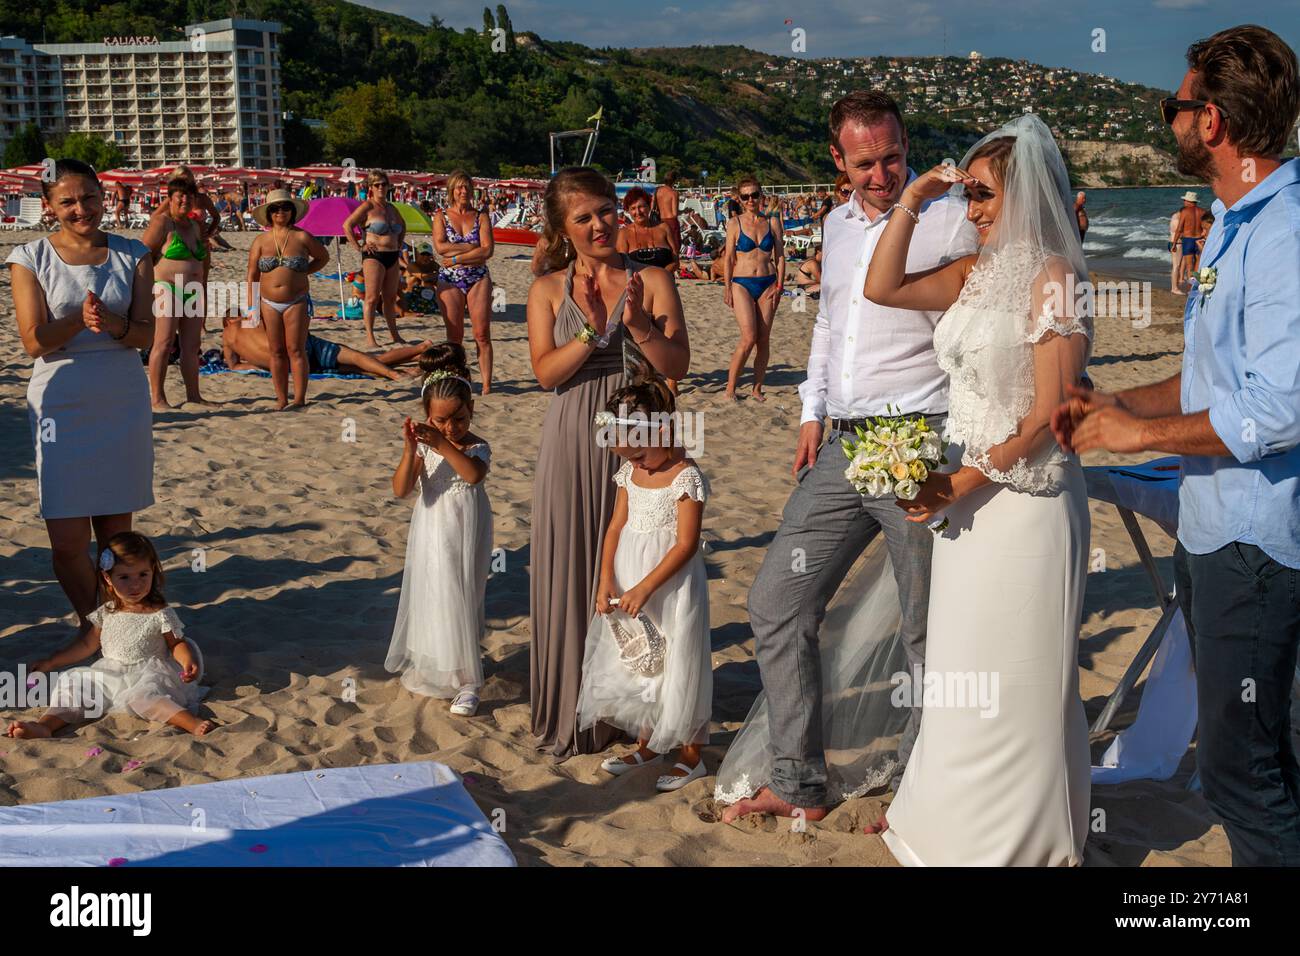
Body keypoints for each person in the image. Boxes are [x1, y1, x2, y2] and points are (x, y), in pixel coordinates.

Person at [1054, 25, 1300, 866]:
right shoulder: (1232, 223)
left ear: (1216, 122)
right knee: (1264, 764)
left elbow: (1278, 407)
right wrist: (1115, 401)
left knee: (1244, 778)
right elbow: (1208, 384)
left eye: (1176, 107)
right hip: (1211, 531)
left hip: (1256, 543)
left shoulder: (1284, 230)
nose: (1170, 121)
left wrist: (1139, 433)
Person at [715, 90, 978, 819]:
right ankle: (799, 780)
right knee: (776, 601)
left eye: (893, 156)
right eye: (864, 162)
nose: (881, 173)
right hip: (843, 443)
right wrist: (811, 409)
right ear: (838, 160)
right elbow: (831, 321)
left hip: (923, 440)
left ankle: (926, 787)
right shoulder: (832, 222)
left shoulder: (951, 219)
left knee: (927, 624)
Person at [525, 166, 690, 758]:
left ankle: (635, 711)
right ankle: (577, 706)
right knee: (575, 564)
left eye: (605, 210)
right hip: (573, 438)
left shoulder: (650, 278)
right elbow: (545, 373)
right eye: (583, 217)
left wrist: (636, 321)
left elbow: (676, 365)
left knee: (633, 562)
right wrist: (593, 332)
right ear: (562, 227)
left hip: (642, 435)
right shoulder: (546, 288)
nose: (599, 224)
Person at [7, 159, 158, 636]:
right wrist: (78, 320)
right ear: (49, 206)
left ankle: (119, 625)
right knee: (68, 540)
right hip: (61, 402)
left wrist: (114, 325)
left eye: (89, 197)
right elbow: (32, 341)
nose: (81, 209)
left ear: (104, 196)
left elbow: (146, 336)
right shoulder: (29, 257)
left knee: (116, 536)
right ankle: (94, 622)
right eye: (68, 201)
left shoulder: (133, 253)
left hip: (121, 397)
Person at [578, 369, 711, 791]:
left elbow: (686, 544)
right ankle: (648, 742)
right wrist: (605, 581)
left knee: (678, 661)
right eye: (625, 457)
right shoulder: (628, 474)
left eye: (638, 455)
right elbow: (615, 528)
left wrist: (646, 587)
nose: (632, 463)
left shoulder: (686, 477)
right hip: (629, 579)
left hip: (669, 587)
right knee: (641, 664)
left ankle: (691, 754)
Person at [5, 532, 212, 739]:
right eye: (124, 577)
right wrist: (52, 662)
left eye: (143, 574)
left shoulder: (159, 613)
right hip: (111, 673)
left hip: (149, 673)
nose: (135, 584)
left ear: (153, 572)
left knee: (144, 698)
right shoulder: (107, 612)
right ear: (108, 578)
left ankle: (191, 723)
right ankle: (45, 726)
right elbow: (87, 645)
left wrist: (187, 660)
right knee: (76, 689)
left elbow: (177, 643)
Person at [387, 343, 493, 718]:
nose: (450, 427)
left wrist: (445, 444)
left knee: (462, 594)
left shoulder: (475, 446)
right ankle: (444, 664)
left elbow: (473, 475)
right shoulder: (425, 446)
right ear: (426, 416)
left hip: (464, 530)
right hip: (431, 530)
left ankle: (468, 681)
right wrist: (409, 448)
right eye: (440, 421)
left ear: (471, 411)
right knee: (435, 594)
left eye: (459, 419)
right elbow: (400, 490)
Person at [246, 189, 330, 409]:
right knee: (276, 350)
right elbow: (252, 274)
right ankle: (281, 398)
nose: (280, 212)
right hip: (267, 302)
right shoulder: (261, 241)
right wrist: (251, 306)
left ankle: (299, 398)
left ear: (292, 211)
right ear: (269, 214)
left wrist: (304, 272)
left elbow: (323, 257)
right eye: (275, 209)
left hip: (297, 300)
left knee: (296, 349)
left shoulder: (302, 236)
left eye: (285, 207)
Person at [142, 178, 212, 411]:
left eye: (189, 196)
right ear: (170, 198)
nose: (185, 200)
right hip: (167, 287)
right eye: (180, 195)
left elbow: (202, 259)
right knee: (163, 343)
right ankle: (157, 398)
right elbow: (144, 256)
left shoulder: (194, 226)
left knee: (191, 347)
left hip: (193, 290)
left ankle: (194, 396)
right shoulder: (163, 223)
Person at [221, 315, 428, 381]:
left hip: (291, 367)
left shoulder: (229, 339)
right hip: (300, 349)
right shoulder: (250, 320)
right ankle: (414, 356)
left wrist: (258, 364)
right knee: (359, 358)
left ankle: (412, 366)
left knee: (360, 367)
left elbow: (234, 366)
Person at [433, 171, 495, 393]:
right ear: (452, 190)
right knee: (455, 335)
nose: (463, 191)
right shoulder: (441, 216)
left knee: (482, 334)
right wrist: (472, 248)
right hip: (450, 279)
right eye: (459, 187)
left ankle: (487, 385)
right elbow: (440, 247)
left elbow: (488, 251)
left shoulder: (481, 217)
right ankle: (458, 378)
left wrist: (458, 256)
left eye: (467, 187)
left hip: (477, 276)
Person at [722, 176, 783, 401]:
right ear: (739, 199)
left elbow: (781, 256)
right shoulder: (734, 223)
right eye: (746, 196)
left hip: (768, 283)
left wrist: (780, 285)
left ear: (761, 196)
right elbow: (728, 258)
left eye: (754, 195)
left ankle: (756, 389)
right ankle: (730, 388)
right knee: (749, 337)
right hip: (742, 283)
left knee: (763, 339)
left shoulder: (772, 222)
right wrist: (727, 288)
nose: (751, 200)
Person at [344, 171, 407, 349]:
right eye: (377, 184)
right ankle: (370, 337)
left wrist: (399, 243)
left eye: (384, 184)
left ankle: (394, 334)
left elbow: (403, 226)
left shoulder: (392, 208)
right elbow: (347, 225)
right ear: (370, 187)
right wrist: (359, 246)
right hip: (374, 256)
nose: (381, 187)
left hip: (393, 256)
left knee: (389, 298)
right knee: (371, 298)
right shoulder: (367, 207)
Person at [617, 186, 679, 273]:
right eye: (633, 208)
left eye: (641, 206)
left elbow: (676, 260)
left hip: (665, 282)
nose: (638, 212)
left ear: (649, 206)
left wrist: (662, 275)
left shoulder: (664, 228)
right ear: (628, 211)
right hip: (640, 283)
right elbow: (621, 266)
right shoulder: (624, 234)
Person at [1173, 190, 1206, 290]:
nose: (1184, 202)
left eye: (1185, 200)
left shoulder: (1185, 211)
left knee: (1189, 265)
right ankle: (1197, 285)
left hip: (1188, 240)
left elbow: (1179, 228)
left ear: (1189, 201)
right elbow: (1206, 227)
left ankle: (1191, 287)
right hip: (1200, 239)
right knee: (1198, 263)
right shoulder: (1203, 212)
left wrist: (1174, 243)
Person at [654, 170, 681, 250]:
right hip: (671, 221)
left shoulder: (657, 191)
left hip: (659, 221)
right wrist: (684, 211)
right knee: (674, 247)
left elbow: (653, 206)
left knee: (662, 245)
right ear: (674, 181)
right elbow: (674, 213)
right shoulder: (673, 193)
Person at [1168, 205, 1183, 293]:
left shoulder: (1173, 217)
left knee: (1175, 266)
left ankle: (1175, 286)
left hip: (1172, 242)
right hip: (1177, 243)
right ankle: (1174, 288)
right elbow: (1179, 232)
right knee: (1176, 266)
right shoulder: (1177, 219)